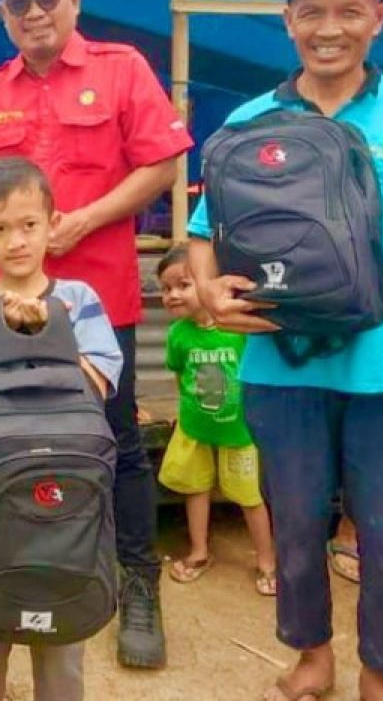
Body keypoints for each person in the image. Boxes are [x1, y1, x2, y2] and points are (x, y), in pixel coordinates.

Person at [186, 0, 383, 701]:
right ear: (287, 20)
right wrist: (210, 294)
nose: (329, 28)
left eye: (349, 11)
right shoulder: (248, 122)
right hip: (281, 366)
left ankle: (379, 672)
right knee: (294, 526)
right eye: (312, 11)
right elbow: (200, 242)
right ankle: (311, 655)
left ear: (379, 17)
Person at [0, 0, 193, 668]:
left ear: (74, 1)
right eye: (18, 2)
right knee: (4, 433)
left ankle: (136, 584)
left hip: (96, 298)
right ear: (4, 15)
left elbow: (165, 158)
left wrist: (88, 218)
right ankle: (13, 563)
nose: (34, 12)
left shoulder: (121, 71)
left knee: (113, 442)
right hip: (4, 303)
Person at [0, 157, 122, 701]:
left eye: (28, 225)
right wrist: (5, 332)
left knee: (62, 649)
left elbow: (99, 384)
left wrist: (47, 330)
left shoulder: (80, 301)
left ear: (52, 223)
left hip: (65, 506)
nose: (16, 241)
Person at [155, 246, 276, 596]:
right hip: (195, 429)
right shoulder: (178, 335)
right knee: (196, 490)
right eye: (165, 289)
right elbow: (180, 378)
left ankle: (268, 562)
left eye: (183, 284)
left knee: (249, 497)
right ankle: (199, 552)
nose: (173, 294)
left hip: (239, 431)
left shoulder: (238, 329)